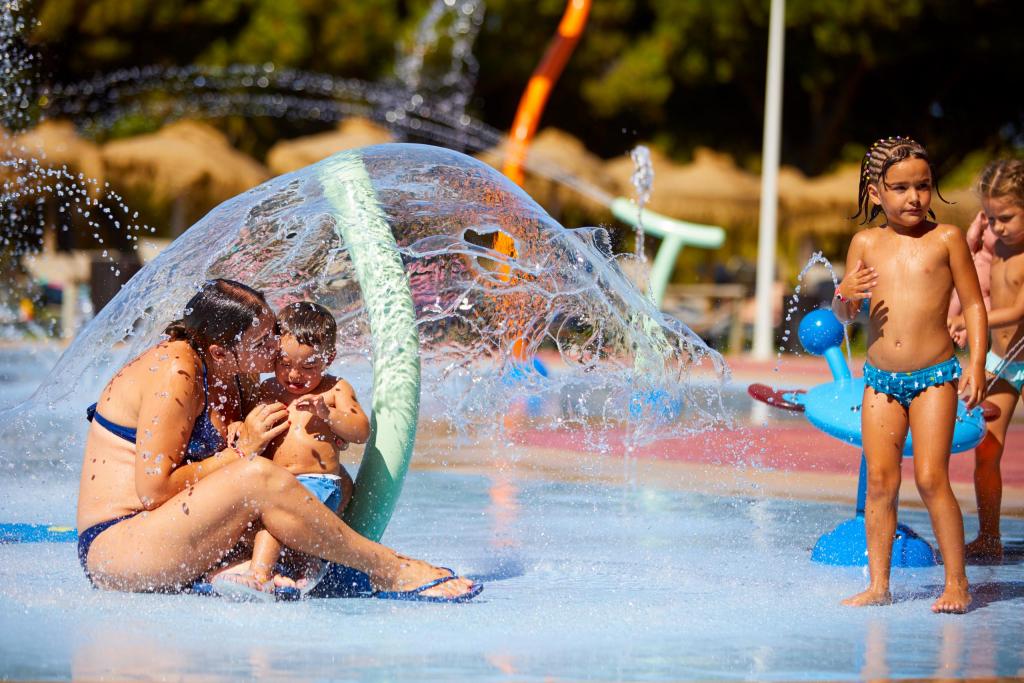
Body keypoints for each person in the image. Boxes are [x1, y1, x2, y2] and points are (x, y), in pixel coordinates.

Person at [77, 279, 480, 601]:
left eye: (273, 334)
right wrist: (240, 450)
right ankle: (391, 568)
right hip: (123, 546)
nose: (275, 350)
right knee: (256, 476)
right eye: (264, 342)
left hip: (183, 537)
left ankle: (237, 570)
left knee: (313, 488)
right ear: (220, 352)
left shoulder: (237, 369)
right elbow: (155, 489)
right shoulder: (175, 370)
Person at [832, 137, 986, 614]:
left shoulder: (947, 240)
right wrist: (843, 293)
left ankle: (956, 583)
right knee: (879, 481)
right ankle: (879, 584)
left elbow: (975, 304)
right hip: (880, 380)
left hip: (934, 376)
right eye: (900, 188)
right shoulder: (866, 242)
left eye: (922, 185)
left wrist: (977, 363)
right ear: (876, 192)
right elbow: (845, 314)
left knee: (931, 477)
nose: (914, 197)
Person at [214, 302, 368, 598]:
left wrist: (328, 415)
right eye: (284, 363)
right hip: (279, 482)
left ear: (329, 358)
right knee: (262, 516)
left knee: (275, 522)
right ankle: (306, 566)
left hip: (319, 483)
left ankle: (259, 574)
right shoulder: (268, 389)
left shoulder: (335, 390)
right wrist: (237, 427)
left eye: (308, 366)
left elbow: (360, 430)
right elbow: (249, 423)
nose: (294, 375)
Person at [948, 159, 1024, 562]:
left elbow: (1017, 312)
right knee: (987, 448)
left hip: (1018, 352)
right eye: (991, 218)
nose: (998, 227)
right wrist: (974, 237)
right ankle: (990, 535)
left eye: (1007, 217)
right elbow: (971, 282)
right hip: (1003, 359)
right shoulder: (994, 245)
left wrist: (972, 318)